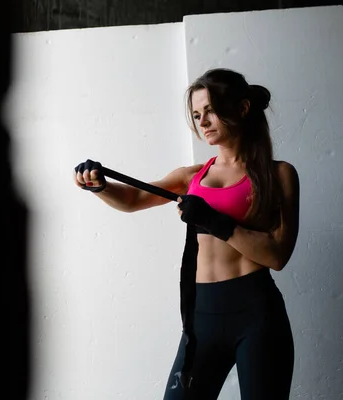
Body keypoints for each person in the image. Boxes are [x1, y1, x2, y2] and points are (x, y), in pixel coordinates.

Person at [73, 68, 300, 400]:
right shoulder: (192, 176)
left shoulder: (279, 175)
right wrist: (99, 186)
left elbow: (278, 256)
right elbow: (133, 198)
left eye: (209, 110)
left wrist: (216, 222)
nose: (203, 121)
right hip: (202, 315)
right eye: (196, 115)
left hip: (258, 314)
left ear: (241, 109)